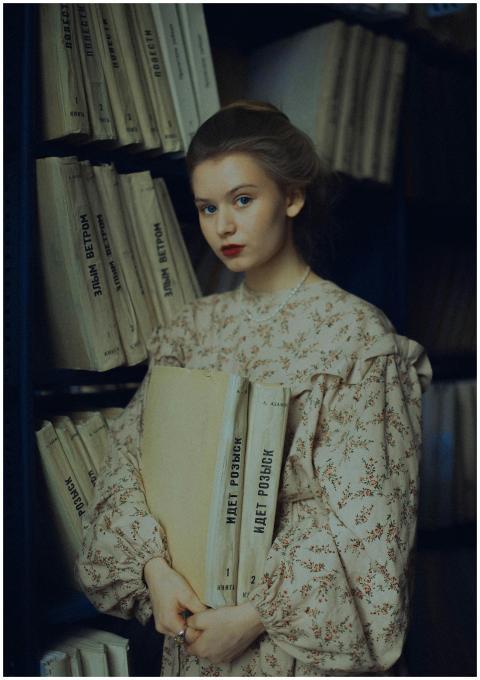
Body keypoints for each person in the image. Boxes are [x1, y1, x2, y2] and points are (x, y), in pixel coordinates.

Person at [77, 101, 432, 676]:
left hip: (293, 648)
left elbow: (369, 520)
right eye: (207, 207)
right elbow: (128, 468)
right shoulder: (190, 330)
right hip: (190, 633)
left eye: (243, 200)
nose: (223, 225)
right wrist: (155, 573)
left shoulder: (355, 335)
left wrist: (255, 615)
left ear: (291, 197)